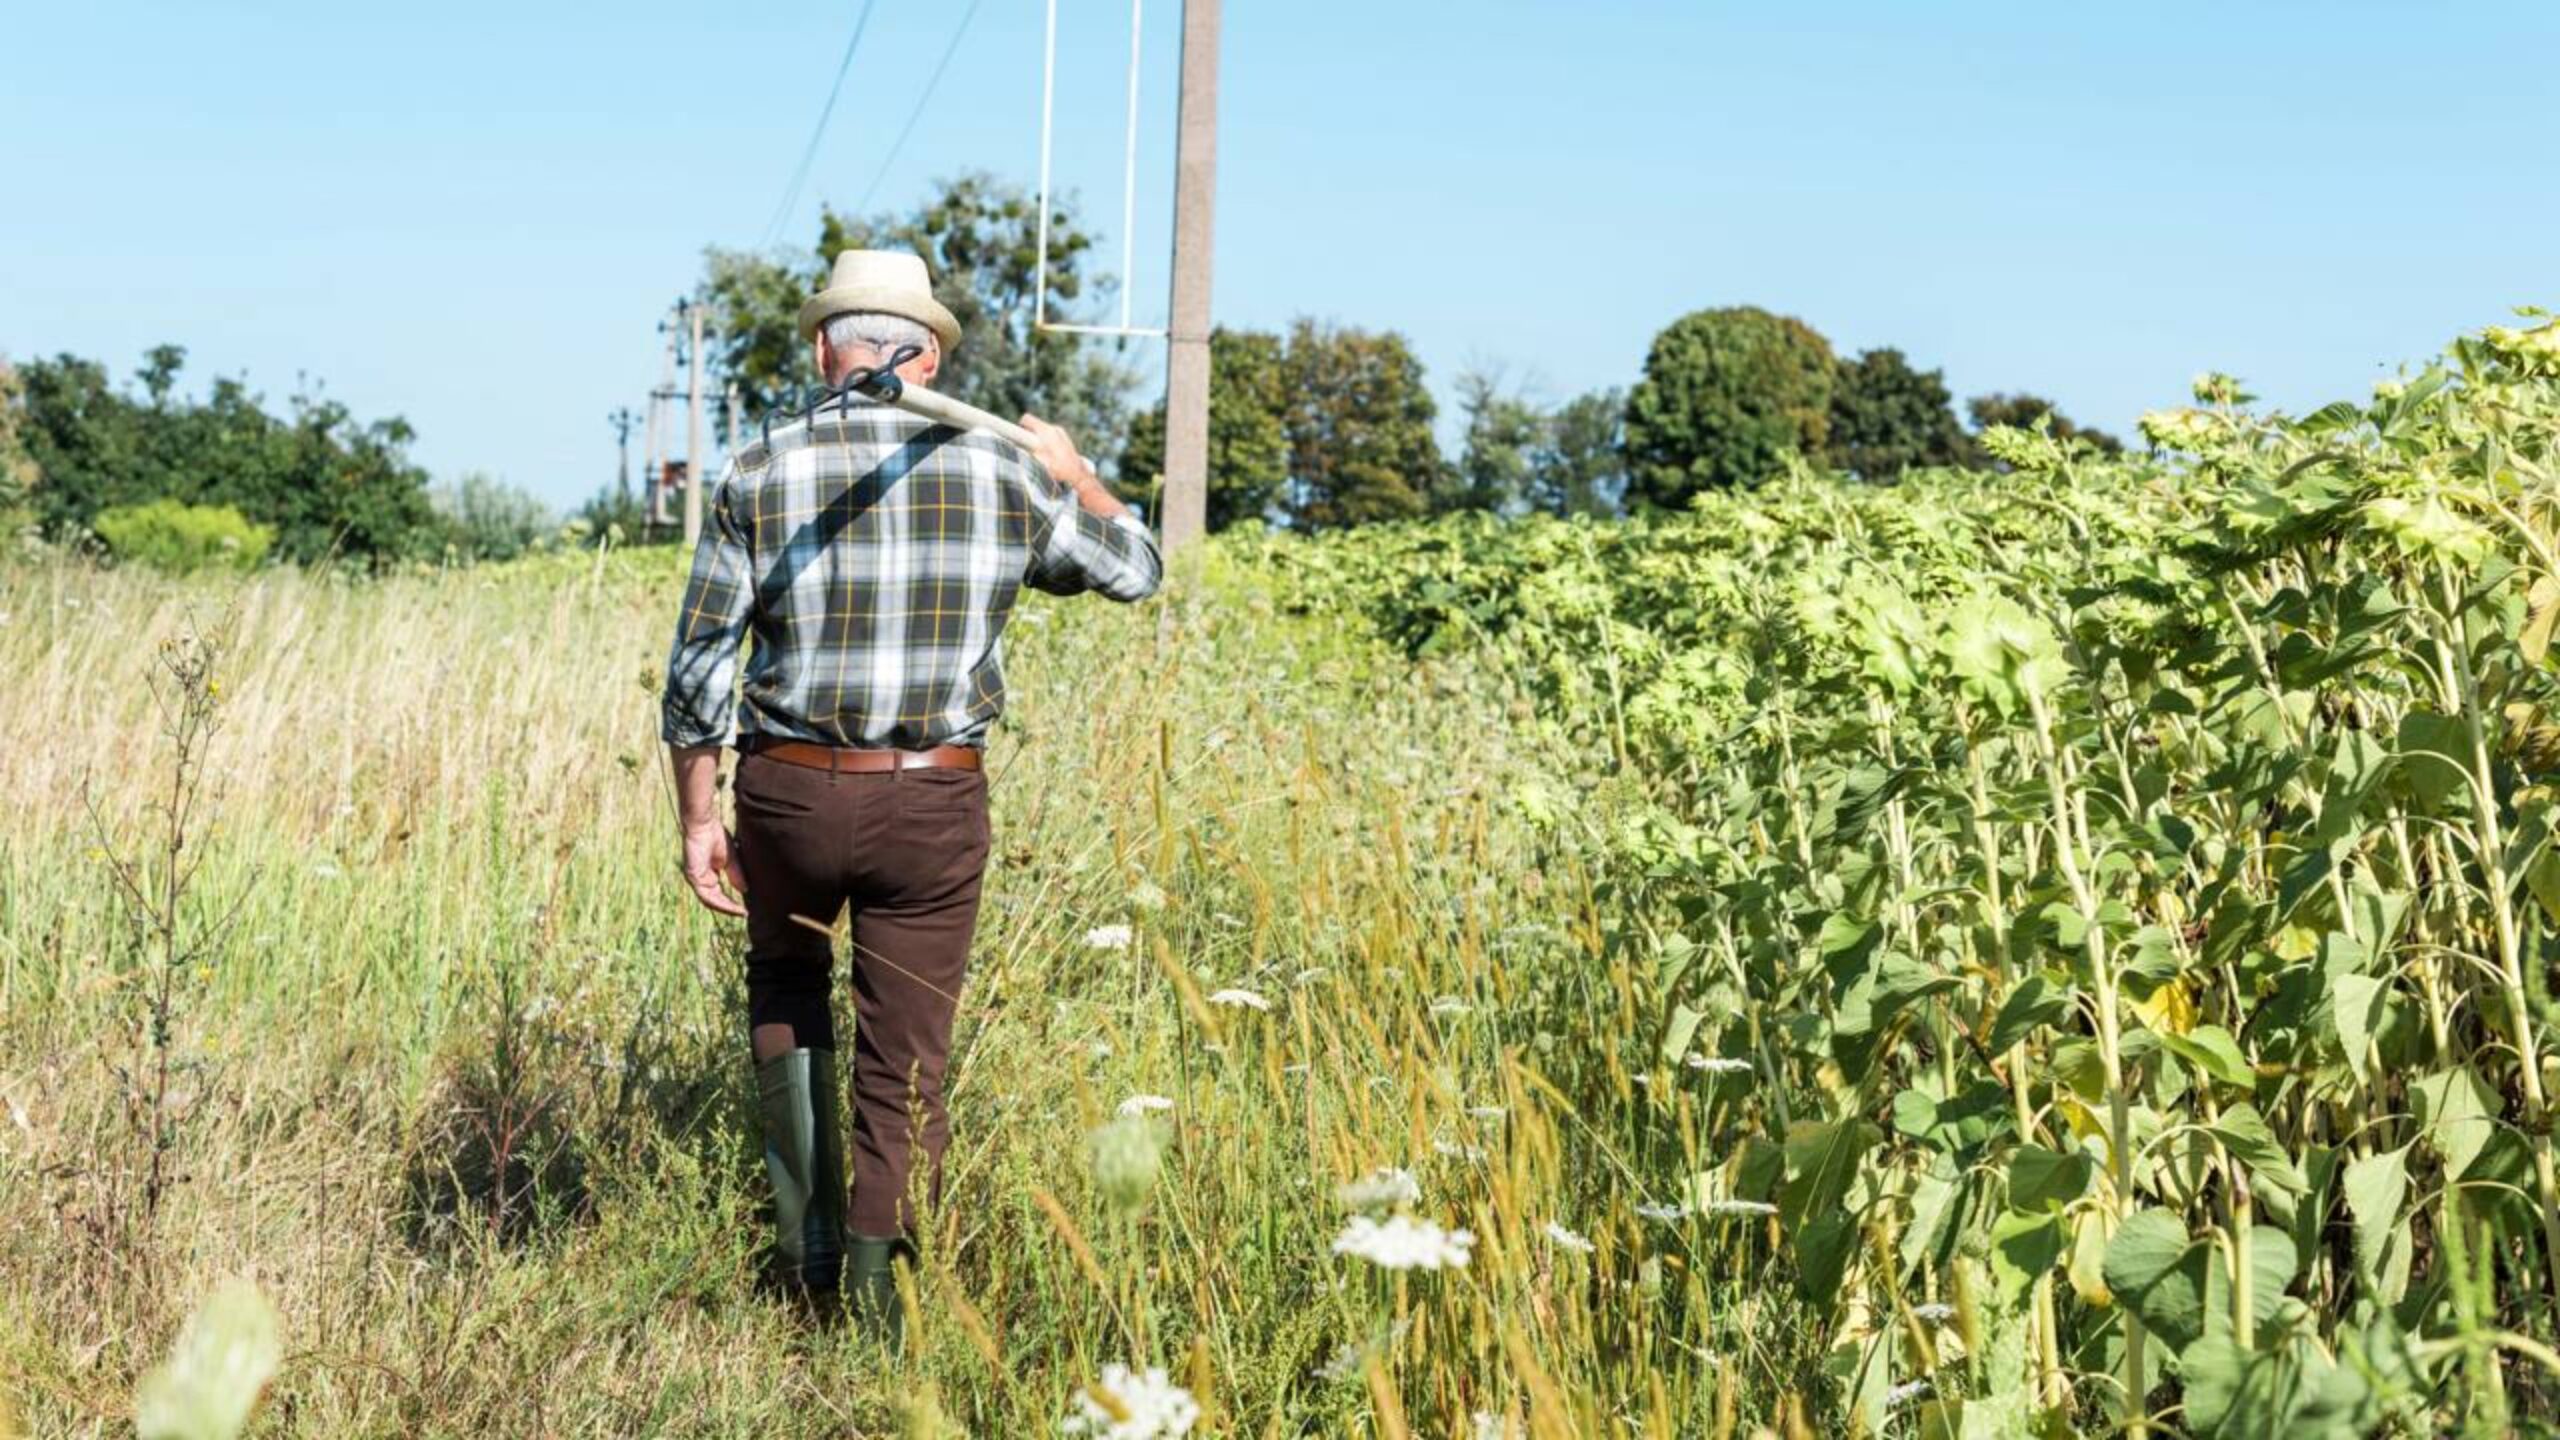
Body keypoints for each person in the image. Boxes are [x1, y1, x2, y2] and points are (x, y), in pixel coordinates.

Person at [659, 249, 1163, 1339]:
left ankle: (806, 1260)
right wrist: (1077, 474)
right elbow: (1137, 568)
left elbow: (697, 670)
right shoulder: (1007, 474)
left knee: (787, 995)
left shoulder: (758, 469)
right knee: (907, 1053)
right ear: (927, 356)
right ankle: (881, 1309)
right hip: (932, 803)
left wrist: (701, 818)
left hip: (786, 793)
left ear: (822, 350)